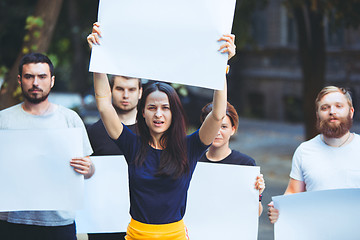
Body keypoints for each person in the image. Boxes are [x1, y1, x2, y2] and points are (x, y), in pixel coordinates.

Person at [87, 23, 235, 239]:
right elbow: (104, 105)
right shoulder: (131, 144)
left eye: (165, 108)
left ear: (174, 113)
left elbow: (218, 115)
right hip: (136, 235)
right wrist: (98, 60)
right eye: (152, 108)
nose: (158, 114)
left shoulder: (190, 146)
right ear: (143, 113)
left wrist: (220, 67)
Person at [0, 53, 94, 240]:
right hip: (11, 221)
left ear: (51, 81)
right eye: (29, 76)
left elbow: (89, 170)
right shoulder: (3, 120)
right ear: (20, 80)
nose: (35, 83)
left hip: (59, 222)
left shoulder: (70, 119)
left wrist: (88, 168)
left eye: (42, 77)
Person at [268, 86, 360, 224]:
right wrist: (280, 209)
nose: (332, 112)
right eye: (325, 108)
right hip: (317, 232)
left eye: (339, 106)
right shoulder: (305, 151)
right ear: (318, 114)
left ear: (351, 112)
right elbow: (293, 193)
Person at [87, 75, 142, 240]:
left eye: (131, 89)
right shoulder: (94, 132)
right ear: (110, 91)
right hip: (102, 223)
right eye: (120, 89)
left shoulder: (153, 131)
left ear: (140, 92)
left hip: (143, 222)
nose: (126, 95)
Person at [199, 102, 265, 216]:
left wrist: (258, 193)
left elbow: (255, 214)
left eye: (224, 127)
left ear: (233, 129)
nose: (217, 132)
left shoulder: (245, 164)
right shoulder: (193, 160)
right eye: (212, 125)